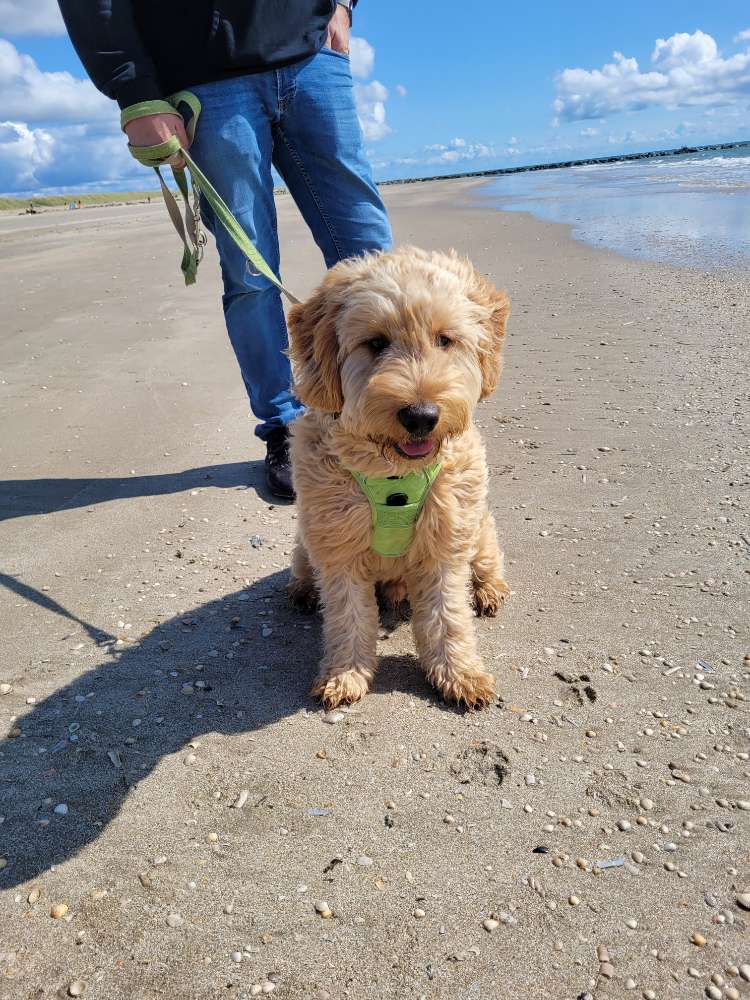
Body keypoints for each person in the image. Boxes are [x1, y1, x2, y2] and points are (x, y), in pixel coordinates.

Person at [57, 1, 392, 498]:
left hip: (312, 54)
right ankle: (285, 426)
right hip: (204, 74)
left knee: (376, 261)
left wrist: (342, 4)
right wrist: (134, 89)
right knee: (250, 275)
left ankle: (393, 411)